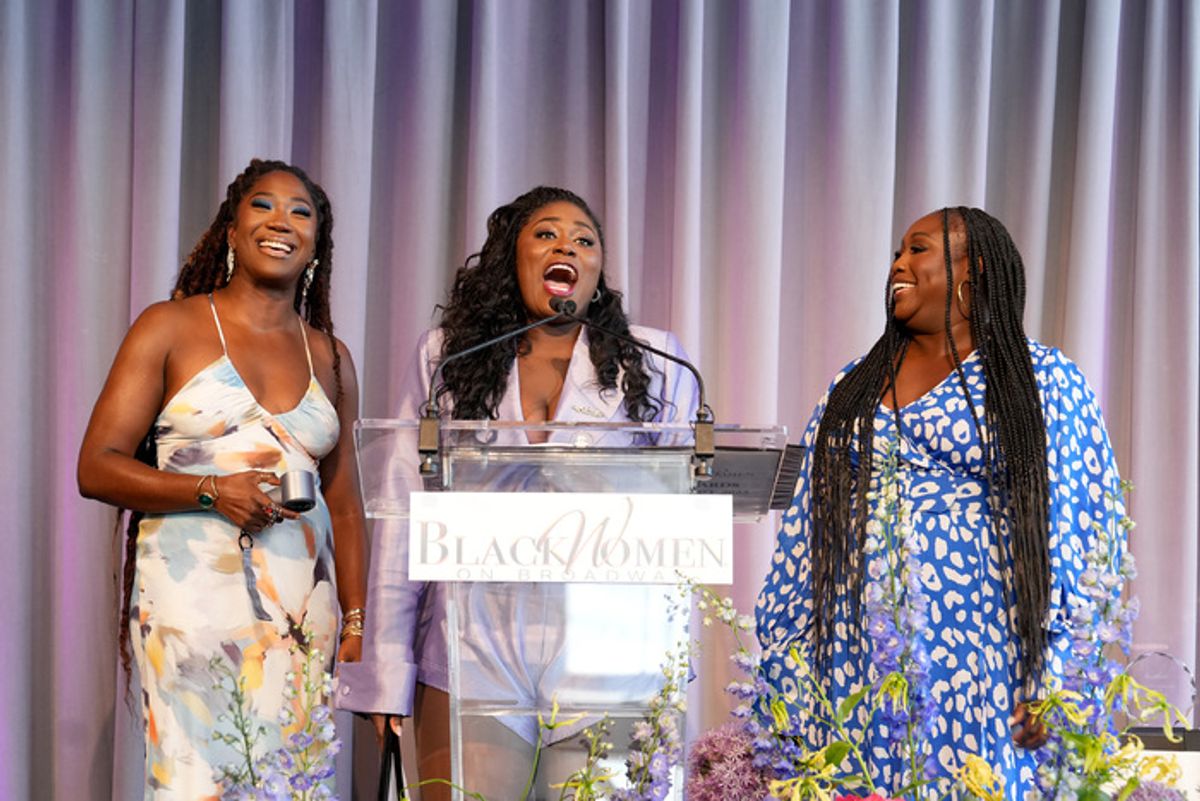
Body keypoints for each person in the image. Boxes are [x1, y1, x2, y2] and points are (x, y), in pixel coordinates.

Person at [337, 186, 700, 799]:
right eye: (547, 234)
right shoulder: (450, 357)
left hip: (607, 652)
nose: (568, 246)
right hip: (474, 645)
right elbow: (403, 509)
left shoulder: (657, 361)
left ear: (597, 271)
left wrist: (666, 669)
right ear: (512, 257)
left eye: (585, 240)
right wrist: (389, 670)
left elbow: (680, 514)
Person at [755, 207, 1124, 798]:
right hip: (857, 652)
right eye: (897, 253)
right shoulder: (852, 384)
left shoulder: (1041, 379)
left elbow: (1079, 528)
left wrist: (1057, 676)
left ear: (970, 273)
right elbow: (807, 527)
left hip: (982, 654)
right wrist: (788, 651)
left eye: (917, 249)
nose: (898, 264)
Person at [78, 158, 368, 799]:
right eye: (263, 206)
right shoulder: (170, 325)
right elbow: (96, 466)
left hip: (299, 615)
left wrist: (354, 624)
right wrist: (210, 491)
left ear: (316, 244)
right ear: (231, 232)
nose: (281, 222)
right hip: (191, 608)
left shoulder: (332, 355)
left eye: (302, 213)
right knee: (197, 784)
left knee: (295, 785)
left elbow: (345, 505)